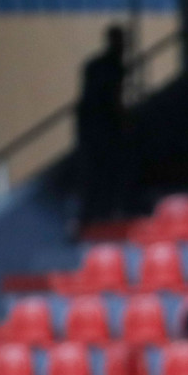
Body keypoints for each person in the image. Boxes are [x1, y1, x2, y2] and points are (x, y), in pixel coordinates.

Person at [75, 25, 128, 226]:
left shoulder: (95, 65)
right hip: (99, 126)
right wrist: (124, 122)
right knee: (100, 170)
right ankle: (98, 213)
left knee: (94, 170)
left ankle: (95, 213)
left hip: (91, 125)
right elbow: (115, 98)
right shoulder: (111, 66)